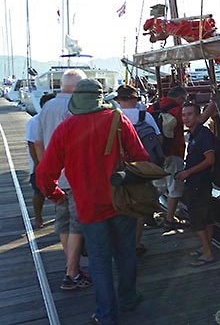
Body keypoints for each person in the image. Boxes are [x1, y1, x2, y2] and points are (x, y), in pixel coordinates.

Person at [36, 79, 149, 325]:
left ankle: (106, 314)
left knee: (99, 260)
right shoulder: (118, 121)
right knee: (125, 252)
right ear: (100, 98)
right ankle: (128, 298)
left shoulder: (66, 129)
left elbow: (44, 174)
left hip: (88, 206)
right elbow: (142, 158)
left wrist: (56, 195)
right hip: (122, 200)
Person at [34, 68, 92, 291]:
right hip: (76, 177)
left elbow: (38, 143)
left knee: (63, 223)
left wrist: (45, 170)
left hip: (55, 177)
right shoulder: (77, 108)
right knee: (77, 224)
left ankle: (72, 268)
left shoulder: (47, 107)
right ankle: (72, 272)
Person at [115, 84, 161, 255]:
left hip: (119, 167)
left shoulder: (114, 117)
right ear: (135, 99)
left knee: (120, 202)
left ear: (119, 100)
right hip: (141, 167)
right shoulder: (146, 116)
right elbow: (158, 139)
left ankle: (121, 241)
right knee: (140, 205)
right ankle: (136, 242)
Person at [177, 102, 216, 266]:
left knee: (198, 218)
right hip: (198, 181)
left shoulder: (203, 135)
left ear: (199, 116)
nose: (186, 118)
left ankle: (207, 254)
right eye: (184, 115)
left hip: (199, 182)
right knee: (206, 217)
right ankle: (206, 246)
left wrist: (188, 172)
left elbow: (210, 160)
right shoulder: (194, 133)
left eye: (190, 114)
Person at [147, 86, 187, 230]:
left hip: (156, 153)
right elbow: (193, 121)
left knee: (159, 186)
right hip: (174, 151)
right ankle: (170, 218)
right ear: (180, 98)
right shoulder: (177, 110)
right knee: (174, 186)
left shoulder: (151, 108)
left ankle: (147, 211)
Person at [26, 92, 56, 229]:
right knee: (39, 192)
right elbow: (32, 144)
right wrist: (39, 165)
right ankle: (38, 218)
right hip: (40, 163)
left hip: (58, 162)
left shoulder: (57, 119)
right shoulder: (35, 121)